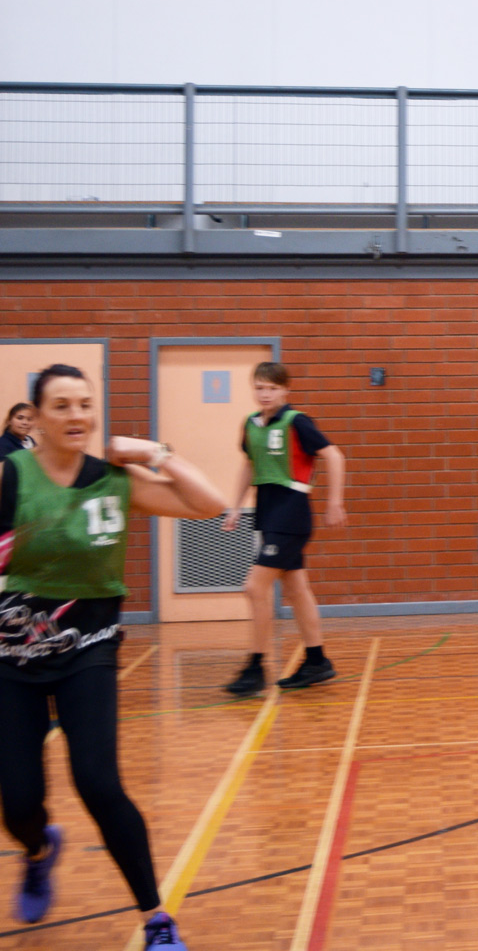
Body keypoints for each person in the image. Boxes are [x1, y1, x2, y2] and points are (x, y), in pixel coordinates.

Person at [0, 364, 226, 948]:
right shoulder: (10, 477)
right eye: (61, 406)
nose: (77, 416)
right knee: (19, 801)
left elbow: (210, 504)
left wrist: (155, 450)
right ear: (37, 420)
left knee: (99, 784)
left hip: (88, 651)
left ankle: (157, 919)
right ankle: (38, 849)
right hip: (11, 660)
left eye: (84, 404)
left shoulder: (113, 480)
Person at [222, 362, 347, 695]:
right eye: (260, 387)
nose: (265, 394)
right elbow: (249, 466)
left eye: (272, 388)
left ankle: (255, 667)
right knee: (297, 590)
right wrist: (235, 507)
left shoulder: (297, 422)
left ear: (285, 390)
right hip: (267, 511)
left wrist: (334, 501)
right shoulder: (250, 424)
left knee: (254, 587)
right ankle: (317, 660)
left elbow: (334, 456)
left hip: (291, 512)